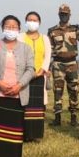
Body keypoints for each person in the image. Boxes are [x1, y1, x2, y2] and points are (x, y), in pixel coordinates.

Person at [0, 15, 35, 157]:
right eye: (7, 26)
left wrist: (19, 85)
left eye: (14, 27)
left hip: (18, 94)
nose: (11, 29)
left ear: (19, 29)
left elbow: (30, 69)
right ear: (2, 27)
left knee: (15, 130)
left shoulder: (26, 48)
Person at [47, 3, 79, 127]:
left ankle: (73, 118)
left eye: (66, 14)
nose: (63, 16)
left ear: (69, 15)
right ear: (59, 15)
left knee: (74, 90)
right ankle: (57, 117)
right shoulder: (52, 31)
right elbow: (49, 49)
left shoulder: (75, 29)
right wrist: (48, 67)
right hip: (58, 63)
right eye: (62, 14)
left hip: (71, 63)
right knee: (58, 90)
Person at [20, 11, 51, 142]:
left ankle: (36, 134)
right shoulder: (20, 37)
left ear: (39, 23)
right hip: (23, 76)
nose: (32, 22)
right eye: (29, 19)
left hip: (39, 76)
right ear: (25, 21)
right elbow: (18, 54)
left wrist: (41, 70)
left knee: (38, 106)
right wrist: (27, 73)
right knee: (24, 104)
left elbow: (47, 56)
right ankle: (25, 134)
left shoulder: (44, 38)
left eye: (35, 20)